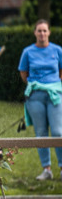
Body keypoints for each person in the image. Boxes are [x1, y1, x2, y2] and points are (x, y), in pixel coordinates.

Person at [19, 20, 62, 180]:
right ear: (35, 33)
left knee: (58, 132)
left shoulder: (57, 50)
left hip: (55, 94)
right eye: (39, 31)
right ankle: (47, 169)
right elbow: (23, 72)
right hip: (35, 95)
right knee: (41, 133)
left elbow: (61, 70)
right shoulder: (28, 51)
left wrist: (53, 84)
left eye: (45, 31)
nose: (42, 34)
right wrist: (36, 84)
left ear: (49, 32)